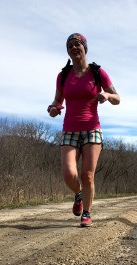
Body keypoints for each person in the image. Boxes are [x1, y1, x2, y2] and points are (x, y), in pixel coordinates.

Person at [47, 33, 120, 227]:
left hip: (91, 129)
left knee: (87, 174)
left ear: (84, 47)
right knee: (69, 174)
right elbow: (57, 100)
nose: (73, 48)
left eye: (77, 44)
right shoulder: (63, 76)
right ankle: (78, 195)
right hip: (69, 129)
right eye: (70, 46)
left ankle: (86, 213)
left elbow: (117, 97)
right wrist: (53, 108)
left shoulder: (97, 72)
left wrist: (106, 94)